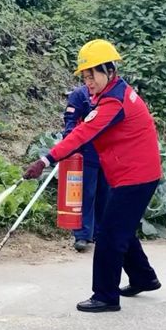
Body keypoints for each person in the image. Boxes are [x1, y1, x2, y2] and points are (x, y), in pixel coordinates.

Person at [23, 39, 162, 313]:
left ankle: (105, 296)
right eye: (84, 77)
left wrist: (45, 159)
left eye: (92, 76)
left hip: (136, 178)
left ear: (109, 70)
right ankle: (144, 278)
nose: (88, 82)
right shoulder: (113, 92)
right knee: (120, 228)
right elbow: (82, 128)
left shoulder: (114, 102)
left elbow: (82, 134)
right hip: (131, 174)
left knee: (109, 235)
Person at [63, 84, 108, 252]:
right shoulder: (79, 94)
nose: (91, 80)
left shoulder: (111, 94)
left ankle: (100, 233)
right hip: (87, 152)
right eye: (88, 76)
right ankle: (82, 235)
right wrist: (70, 142)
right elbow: (70, 120)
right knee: (86, 194)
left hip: (108, 154)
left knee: (105, 194)